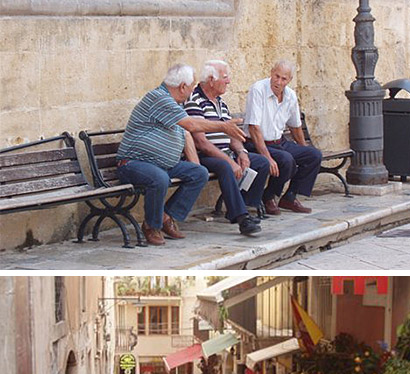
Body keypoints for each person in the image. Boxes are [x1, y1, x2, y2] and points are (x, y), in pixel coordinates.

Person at [116, 63, 246, 245]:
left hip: (161, 164)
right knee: (159, 178)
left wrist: (195, 162)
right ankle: (151, 225)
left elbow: (186, 133)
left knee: (198, 173)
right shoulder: (158, 98)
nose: (193, 90)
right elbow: (191, 125)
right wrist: (223, 126)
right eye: (192, 86)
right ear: (183, 87)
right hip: (132, 164)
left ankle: (167, 217)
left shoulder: (175, 103)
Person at [184, 60, 267, 236]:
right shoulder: (195, 101)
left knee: (260, 162)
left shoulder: (220, 102)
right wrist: (230, 160)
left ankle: (241, 205)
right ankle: (242, 219)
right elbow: (201, 142)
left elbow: (232, 134)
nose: (229, 81)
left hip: (224, 151)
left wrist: (241, 152)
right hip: (204, 156)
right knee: (225, 166)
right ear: (211, 80)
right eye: (225, 77)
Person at [244, 59, 322, 215]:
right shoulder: (258, 89)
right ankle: (268, 196)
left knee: (313, 155)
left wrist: (303, 147)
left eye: (283, 78)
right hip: (256, 143)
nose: (278, 81)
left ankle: (290, 197)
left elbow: (295, 125)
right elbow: (253, 127)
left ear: (289, 80)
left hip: (279, 142)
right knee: (286, 160)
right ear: (271, 73)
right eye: (276, 76)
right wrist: (268, 157)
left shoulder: (290, 96)